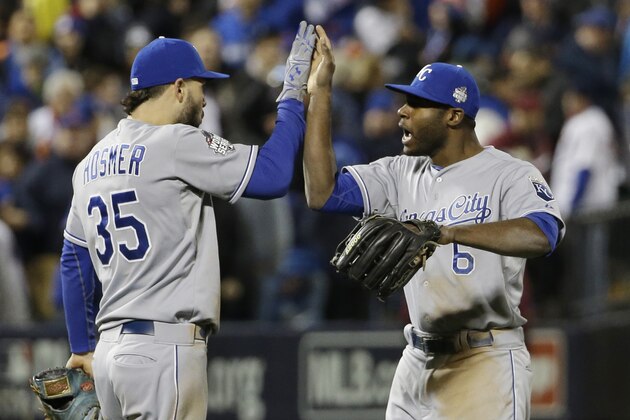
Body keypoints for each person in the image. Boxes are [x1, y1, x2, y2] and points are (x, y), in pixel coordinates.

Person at [304, 26, 565, 419]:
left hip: (485, 360)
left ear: (454, 116)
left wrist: (446, 232)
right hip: (417, 360)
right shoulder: (398, 172)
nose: (402, 111)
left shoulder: (508, 174)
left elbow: (542, 234)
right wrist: (321, 93)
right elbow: (321, 192)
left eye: (417, 104)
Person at [60, 21, 317, 418]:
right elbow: (273, 175)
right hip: (164, 350)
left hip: (110, 355)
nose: (205, 99)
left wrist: (81, 346)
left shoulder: (89, 162)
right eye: (201, 86)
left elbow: (73, 259)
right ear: (178, 87)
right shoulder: (175, 142)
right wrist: (292, 98)